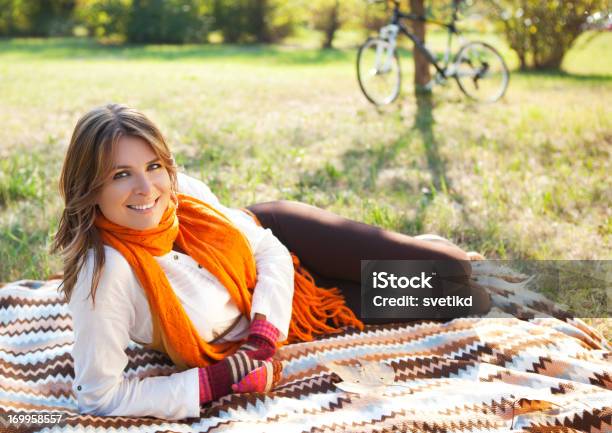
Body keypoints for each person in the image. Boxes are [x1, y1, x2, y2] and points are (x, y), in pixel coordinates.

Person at [51, 104, 490, 421]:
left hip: (284, 241)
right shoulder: (107, 277)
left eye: (153, 166)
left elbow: (269, 248)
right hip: (303, 304)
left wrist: (263, 337)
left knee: (454, 265)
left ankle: (406, 247)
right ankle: (372, 262)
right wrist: (218, 380)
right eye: (121, 174)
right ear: (89, 188)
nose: (147, 188)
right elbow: (99, 398)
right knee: (467, 299)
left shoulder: (186, 194)